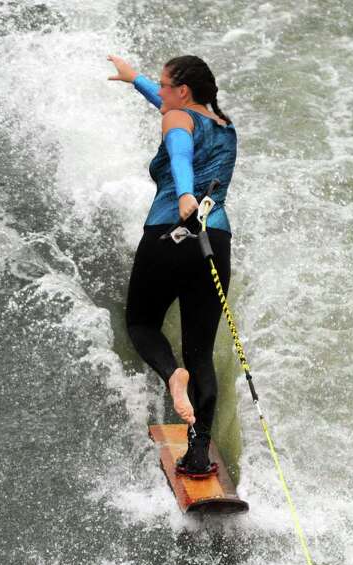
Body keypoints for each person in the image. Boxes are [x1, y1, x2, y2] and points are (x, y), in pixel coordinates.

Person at [107, 54, 237, 477]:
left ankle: (170, 375)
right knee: (201, 353)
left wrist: (184, 195)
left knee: (142, 324)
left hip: (170, 232)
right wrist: (136, 80)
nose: (159, 92)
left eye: (164, 85)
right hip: (214, 241)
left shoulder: (177, 120)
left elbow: (180, 153)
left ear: (183, 92)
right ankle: (198, 456)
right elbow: (177, 115)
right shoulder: (224, 128)